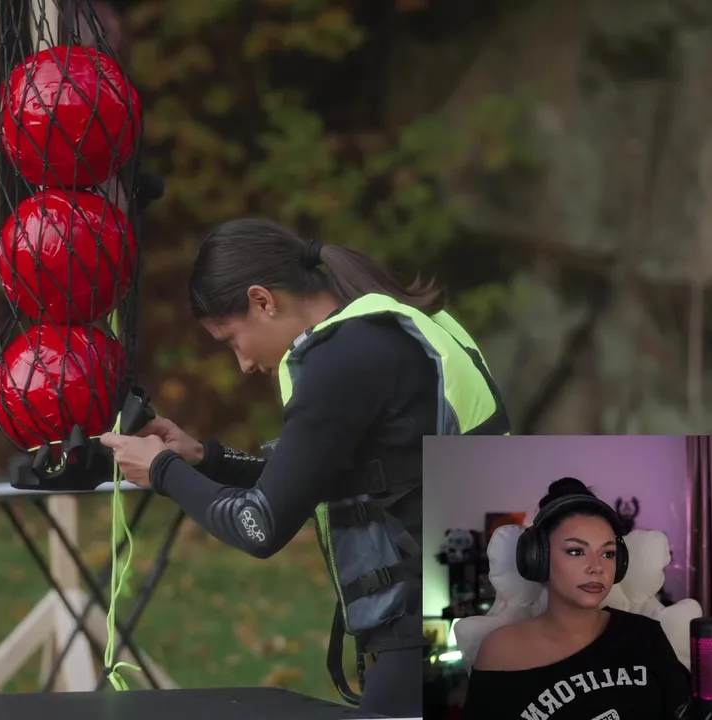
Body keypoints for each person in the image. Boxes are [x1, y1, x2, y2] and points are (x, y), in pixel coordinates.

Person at [100, 218, 510, 716]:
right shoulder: (389, 328)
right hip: (481, 601)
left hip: (437, 625)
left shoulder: (342, 358)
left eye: (232, 339)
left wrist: (163, 470)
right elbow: (318, 481)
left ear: (262, 301)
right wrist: (205, 458)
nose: (243, 364)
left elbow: (260, 526)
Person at [462, 478, 691, 719]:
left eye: (607, 553)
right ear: (538, 558)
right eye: (576, 551)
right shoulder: (500, 652)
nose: (597, 567)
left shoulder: (645, 635)